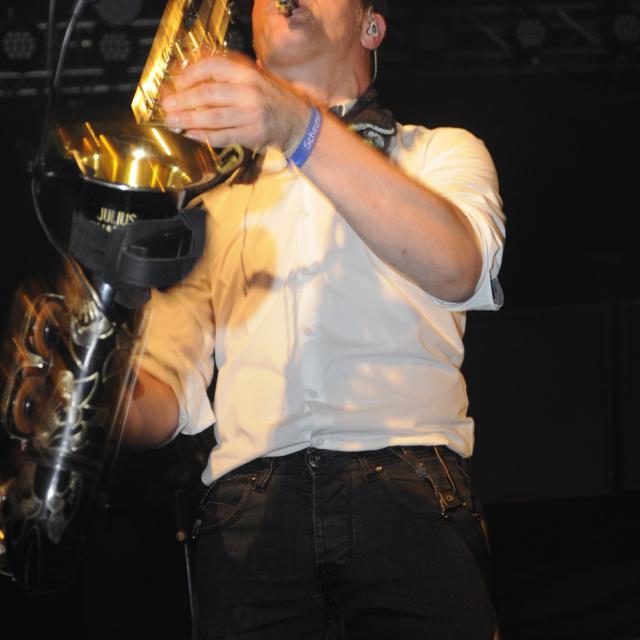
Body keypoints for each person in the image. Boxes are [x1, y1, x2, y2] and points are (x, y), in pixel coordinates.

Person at [124, 0, 505, 637]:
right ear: (254, 39)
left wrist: (298, 126)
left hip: (410, 491)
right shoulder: (209, 203)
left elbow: (458, 266)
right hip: (246, 515)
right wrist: (85, 389)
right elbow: (159, 402)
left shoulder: (440, 151)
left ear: (370, 26)